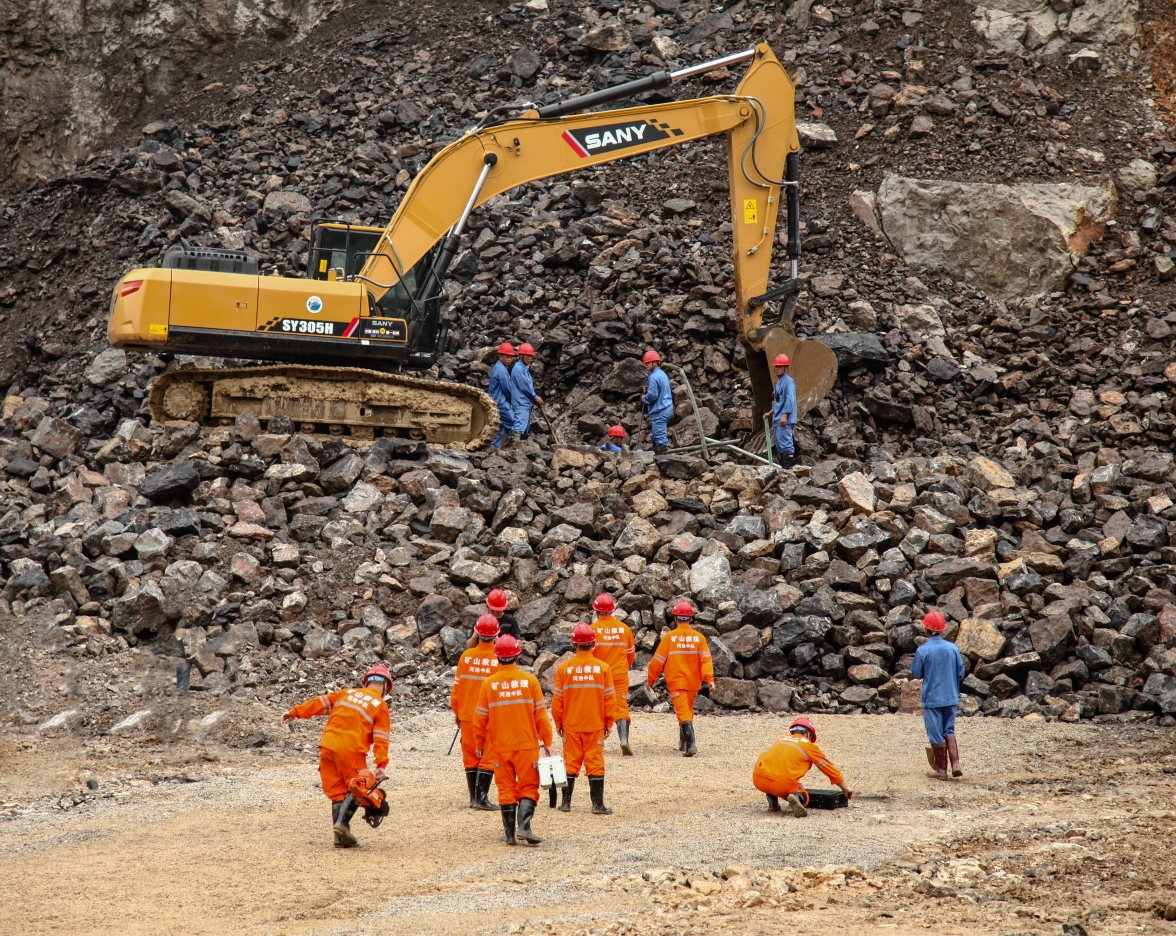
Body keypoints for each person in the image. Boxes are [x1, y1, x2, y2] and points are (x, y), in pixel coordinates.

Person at [282, 663, 393, 848]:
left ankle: (340, 837)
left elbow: (320, 703)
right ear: (386, 686)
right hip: (350, 749)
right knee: (359, 786)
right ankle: (342, 825)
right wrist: (381, 765)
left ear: (367, 682)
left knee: (338, 792)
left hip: (327, 746)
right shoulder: (380, 705)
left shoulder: (347, 693)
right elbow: (381, 739)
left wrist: (295, 712)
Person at [473, 634, 553, 845]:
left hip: (500, 747)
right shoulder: (530, 681)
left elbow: (480, 719)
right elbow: (541, 716)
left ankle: (509, 834)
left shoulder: (489, 685)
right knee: (528, 786)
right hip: (527, 745)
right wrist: (547, 741)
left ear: (497, 657)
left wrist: (479, 745)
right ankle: (524, 827)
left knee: (506, 788)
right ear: (517, 655)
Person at [551, 622, 616, 814]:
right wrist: (609, 721)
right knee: (595, 763)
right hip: (595, 724)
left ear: (574, 644)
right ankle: (597, 805)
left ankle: (566, 803)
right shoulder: (603, 668)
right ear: (593, 644)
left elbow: (557, 700)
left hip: (571, 724)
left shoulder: (564, 669)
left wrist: (558, 722)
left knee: (570, 762)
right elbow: (609, 699)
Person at [646, 599, 714, 757]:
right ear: (690, 618)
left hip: (677, 682)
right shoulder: (699, 638)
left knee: (683, 712)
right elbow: (706, 660)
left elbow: (657, 661)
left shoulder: (670, 637)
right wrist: (709, 679)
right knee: (687, 710)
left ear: (675, 618)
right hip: (693, 683)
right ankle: (683, 743)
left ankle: (691, 744)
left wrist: (650, 680)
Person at [752, 717, 854, 817]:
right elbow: (827, 767)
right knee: (803, 793)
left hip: (759, 780)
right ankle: (797, 797)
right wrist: (845, 788)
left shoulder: (780, 739)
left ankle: (773, 804)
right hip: (782, 784)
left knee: (775, 767)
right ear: (809, 734)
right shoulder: (809, 745)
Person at [450, 613, 501, 811]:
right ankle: (481, 798)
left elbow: (457, 688)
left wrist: (456, 711)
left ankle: (474, 798)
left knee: (470, 756)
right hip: (489, 717)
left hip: (467, 715)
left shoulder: (466, 656)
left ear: (477, 633)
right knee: (488, 755)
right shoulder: (499, 659)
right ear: (496, 635)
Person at [912, 608, 966, 779]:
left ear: (926, 629)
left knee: (935, 732)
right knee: (949, 730)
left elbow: (917, 673)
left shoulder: (923, 650)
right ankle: (955, 763)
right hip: (950, 696)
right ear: (943, 629)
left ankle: (941, 769)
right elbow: (960, 671)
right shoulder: (953, 648)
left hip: (933, 698)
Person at [590, 592, 635, 756]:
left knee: (598, 708)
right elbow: (631, 654)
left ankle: (598, 743)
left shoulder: (592, 630)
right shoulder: (624, 629)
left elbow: (588, 655)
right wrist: (624, 667)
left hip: (599, 676)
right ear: (612, 611)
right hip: (619, 675)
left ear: (596, 611)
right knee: (621, 707)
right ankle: (624, 740)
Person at [766, 353, 798, 468]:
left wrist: (785, 415)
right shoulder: (779, 383)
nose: (776, 369)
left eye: (779, 367)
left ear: (786, 368)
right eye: (776, 367)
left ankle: (788, 470)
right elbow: (779, 400)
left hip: (784, 419)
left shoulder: (788, 382)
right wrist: (772, 412)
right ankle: (784, 469)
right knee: (780, 445)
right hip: (778, 418)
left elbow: (790, 399)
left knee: (786, 445)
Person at [641, 349, 674, 455]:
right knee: (655, 436)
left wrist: (644, 398)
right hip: (666, 408)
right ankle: (657, 460)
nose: (645, 365)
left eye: (647, 362)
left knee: (660, 439)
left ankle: (663, 462)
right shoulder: (662, 374)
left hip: (661, 410)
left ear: (654, 362)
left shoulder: (653, 377)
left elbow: (653, 396)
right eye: (645, 363)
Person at [509, 343, 542, 446]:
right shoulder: (518, 369)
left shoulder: (524, 368)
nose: (530, 358)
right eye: (528, 356)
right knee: (519, 426)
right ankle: (513, 449)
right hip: (521, 403)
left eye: (531, 356)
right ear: (521, 356)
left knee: (524, 428)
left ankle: (522, 450)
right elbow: (524, 387)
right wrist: (535, 397)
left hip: (525, 403)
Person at [489, 341, 517, 448]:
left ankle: (493, 448)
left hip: (496, 402)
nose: (510, 359)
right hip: (501, 403)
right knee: (513, 424)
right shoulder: (501, 370)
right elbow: (507, 389)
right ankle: (515, 450)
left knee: (499, 428)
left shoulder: (498, 367)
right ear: (500, 355)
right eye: (507, 356)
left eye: (511, 357)